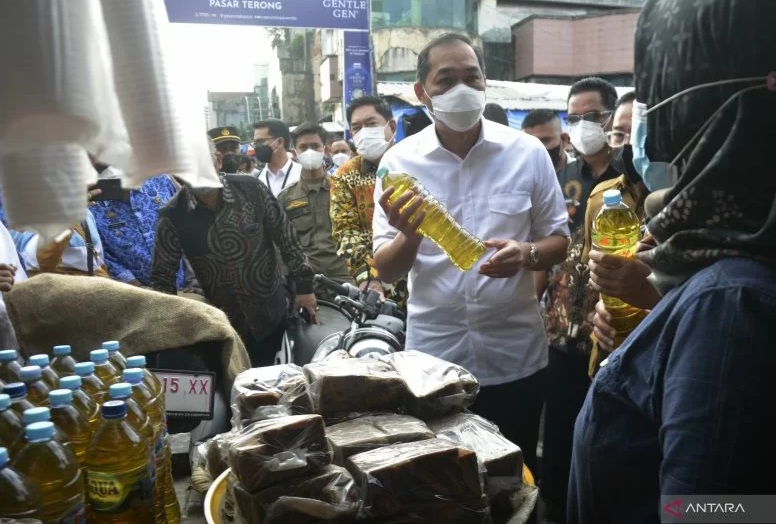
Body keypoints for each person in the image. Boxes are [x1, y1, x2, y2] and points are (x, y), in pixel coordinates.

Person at [569, 1, 776, 522]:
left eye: (656, 93)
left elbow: (714, 511)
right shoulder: (723, 266)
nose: (646, 122)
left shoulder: (729, 303)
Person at [373, 32, 570, 474]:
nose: (461, 89)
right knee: (447, 480)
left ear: (485, 84)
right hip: (435, 360)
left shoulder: (527, 153)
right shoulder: (398, 164)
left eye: (472, 77)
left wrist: (527, 253)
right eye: (446, 80)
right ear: (421, 92)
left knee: (515, 477)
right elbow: (387, 268)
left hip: (515, 355)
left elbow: (559, 240)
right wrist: (409, 236)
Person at [151, 138, 317, 367]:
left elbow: (286, 237)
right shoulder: (172, 214)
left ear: (218, 161)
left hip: (273, 313)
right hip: (225, 326)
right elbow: (162, 277)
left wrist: (305, 290)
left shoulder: (251, 189)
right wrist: (170, 328)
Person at [330, 95, 408, 305]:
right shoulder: (345, 175)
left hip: (428, 279)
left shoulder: (415, 160)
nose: (363, 132)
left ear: (391, 125)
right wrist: (370, 279)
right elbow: (347, 232)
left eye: (371, 124)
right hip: (381, 292)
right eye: (356, 127)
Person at [277, 123, 354, 300]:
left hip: (347, 280)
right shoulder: (285, 197)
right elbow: (280, 245)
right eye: (303, 147)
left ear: (325, 150)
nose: (309, 151)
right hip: (306, 286)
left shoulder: (346, 190)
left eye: (315, 146)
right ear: (295, 153)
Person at [89, 163, 187, 288]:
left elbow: (186, 224)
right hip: (138, 293)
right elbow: (103, 254)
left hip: (188, 284)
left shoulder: (160, 180)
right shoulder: (94, 204)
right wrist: (137, 286)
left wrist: (193, 277)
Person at [253, 119, 302, 197]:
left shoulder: (302, 174)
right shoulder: (256, 180)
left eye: (261, 141)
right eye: (255, 143)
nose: (257, 147)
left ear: (280, 142)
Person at [521, 109, 574, 173]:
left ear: (563, 139)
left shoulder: (582, 173)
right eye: (531, 142)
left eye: (545, 141)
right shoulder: (520, 175)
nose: (539, 147)